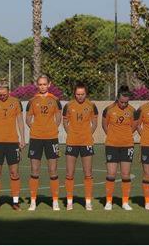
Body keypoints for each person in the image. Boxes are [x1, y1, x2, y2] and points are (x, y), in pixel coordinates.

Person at [0, 79, 25, 211]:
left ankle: (15, 202)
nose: (1, 96)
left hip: (12, 142)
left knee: (14, 172)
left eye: (4, 93)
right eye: (0, 93)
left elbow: (20, 120)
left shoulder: (15, 102)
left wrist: (23, 138)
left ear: (9, 91)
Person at [25, 75, 62, 211]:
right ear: (37, 85)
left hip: (51, 138)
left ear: (49, 84)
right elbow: (28, 118)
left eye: (44, 84)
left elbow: (58, 117)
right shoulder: (32, 100)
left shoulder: (55, 100)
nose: (42, 86)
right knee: (35, 170)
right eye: (40, 84)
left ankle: (55, 201)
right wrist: (34, 127)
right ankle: (33, 201)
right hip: (36, 138)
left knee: (53, 170)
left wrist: (53, 128)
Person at [62, 82, 98, 211]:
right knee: (69, 173)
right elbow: (65, 120)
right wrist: (70, 133)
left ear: (86, 94)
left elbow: (95, 122)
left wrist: (89, 133)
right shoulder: (68, 106)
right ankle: (69, 201)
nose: (80, 96)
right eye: (78, 94)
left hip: (86, 142)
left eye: (82, 94)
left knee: (88, 173)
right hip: (72, 142)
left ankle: (88, 202)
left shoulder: (92, 106)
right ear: (74, 94)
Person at [102, 86, 135, 211]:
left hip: (127, 145)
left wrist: (125, 136)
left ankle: (125, 202)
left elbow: (134, 126)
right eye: (122, 102)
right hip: (111, 145)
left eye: (126, 102)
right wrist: (112, 136)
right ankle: (109, 202)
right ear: (117, 98)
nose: (124, 104)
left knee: (126, 174)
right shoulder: (109, 109)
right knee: (111, 174)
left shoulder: (132, 110)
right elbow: (104, 125)